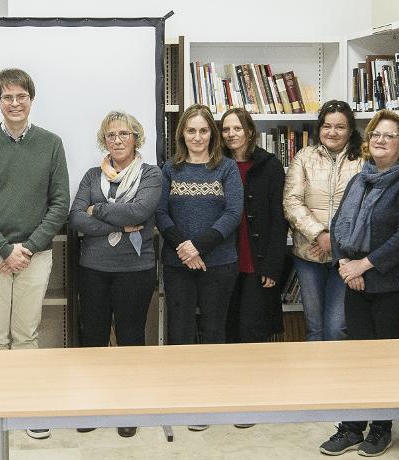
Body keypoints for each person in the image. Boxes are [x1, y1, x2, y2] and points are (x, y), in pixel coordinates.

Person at [0, 67, 70, 440]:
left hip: (35, 255)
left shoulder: (52, 143)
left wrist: (27, 248)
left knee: (25, 335)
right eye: (7, 97)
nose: (14, 103)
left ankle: (25, 408)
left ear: (31, 99)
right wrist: (5, 249)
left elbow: (59, 203)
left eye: (21, 96)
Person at [318, 110, 399, 457]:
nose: (379, 140)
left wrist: (365, 264)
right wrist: (346, 265)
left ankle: (380, 429)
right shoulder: (359, 178)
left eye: (389, 136)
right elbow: (338, 224)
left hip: (390, 285)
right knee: (357, 362)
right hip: (355, 282)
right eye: (376, 134)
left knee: (386, 363)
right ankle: (350, 427)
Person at [68, 111, 160, 438]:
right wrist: (119, 221)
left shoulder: (150, 175)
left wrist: (99, 210)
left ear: (136, 137)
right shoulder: (93, 176)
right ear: (103, 140)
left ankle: (127, 408)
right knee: (91, 337)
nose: (117, 140)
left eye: (124, 134)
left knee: (130, 338)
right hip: (93, 269)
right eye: (111, 135)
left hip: (135, 270)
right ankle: (92, 405)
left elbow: (141, 210)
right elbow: (76, 217)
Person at [156, 105, 242, 431]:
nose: (196, 137)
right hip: (178, 263)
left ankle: (209, 401)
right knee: (178, 331)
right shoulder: (169, 170)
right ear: (182, 135)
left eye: (203, 131)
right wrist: (183, 247)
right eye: (190, 131)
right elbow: (161, 214)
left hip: (219, 263)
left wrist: (198, 246)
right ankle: (182, 400)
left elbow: (233, 213)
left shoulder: (227, 169)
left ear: (212, 134)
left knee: (213, 330)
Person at [283, 99, 362, 343]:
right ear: (319, 129)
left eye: (340, 127)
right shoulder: (304, 157)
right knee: (315, 328)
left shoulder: (363, 160)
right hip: (309, 255)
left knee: (337, 327)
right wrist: (320, 235)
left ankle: (336, 380)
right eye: (327, 126)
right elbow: (291, 201)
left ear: (350, 130)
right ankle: (314, 380)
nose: (333, 132)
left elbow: (365, 208)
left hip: (347, 257)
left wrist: (335, 242)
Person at [221, 108, 287, 346]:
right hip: (224, 261)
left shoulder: (270, 166)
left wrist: (272, 267)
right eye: (226, 129)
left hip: (257, 263)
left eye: (237, 128)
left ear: (249, 132)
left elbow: (279, 219)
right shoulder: (216, 165)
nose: (231, 134)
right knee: (227, 328)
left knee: (253, 328)